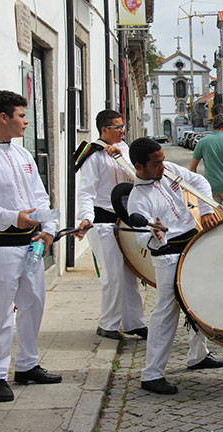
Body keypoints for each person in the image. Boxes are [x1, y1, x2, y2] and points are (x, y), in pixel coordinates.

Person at [128, 137, 223, 395]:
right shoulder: (137, 199)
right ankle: (151, 374)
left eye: (162, 160)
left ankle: (198, 355)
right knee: (166, 312)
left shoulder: (168, 170)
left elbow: (199, 181)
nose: (162, 166)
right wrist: (155, 235)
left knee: (200, 300)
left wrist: (206, 210)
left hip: (191, 243)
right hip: (168, 255)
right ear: (139, 167)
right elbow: (142, 238)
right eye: (156, 164)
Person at [0, 90, 61, 401]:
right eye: (21, 115)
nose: (26, 121)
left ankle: (27, 364)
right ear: (3, 118)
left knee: (33, 304)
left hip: (31, 245)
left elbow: (40, 196)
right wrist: (14, 217)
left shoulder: (24, 155)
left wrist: (48, 229)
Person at [74, 109, 147, 340]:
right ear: (104, 129)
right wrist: (86, 217)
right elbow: (86, 191)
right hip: (102, 219)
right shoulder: (93, 155)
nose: (122, 131)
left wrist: (119, 157)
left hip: (124, 217)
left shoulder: (124, 149)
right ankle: (108, 324)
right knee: (113, 273)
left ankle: (134, 322)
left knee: (129, 273)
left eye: (122, 126)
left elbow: (138, 178)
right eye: (118, 127)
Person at [189, 114, 223, 215]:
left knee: (214, 217)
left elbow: (192, 168)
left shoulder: (202, 142)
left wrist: (197, 187)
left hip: (210, 187)